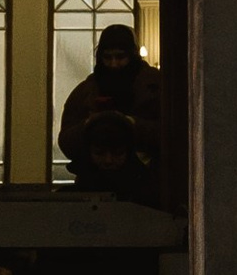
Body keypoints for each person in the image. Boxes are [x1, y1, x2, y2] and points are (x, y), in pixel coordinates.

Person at [56, 22, 164, 200]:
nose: (114, 64)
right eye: (108, 57)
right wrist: (90, 125)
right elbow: (66, 141)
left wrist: (133, 125)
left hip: (145, 183)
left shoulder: (157, 86)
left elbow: (174, 133)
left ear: (132, 55)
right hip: (98, 182)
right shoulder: (85, 91)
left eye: (120, 57)